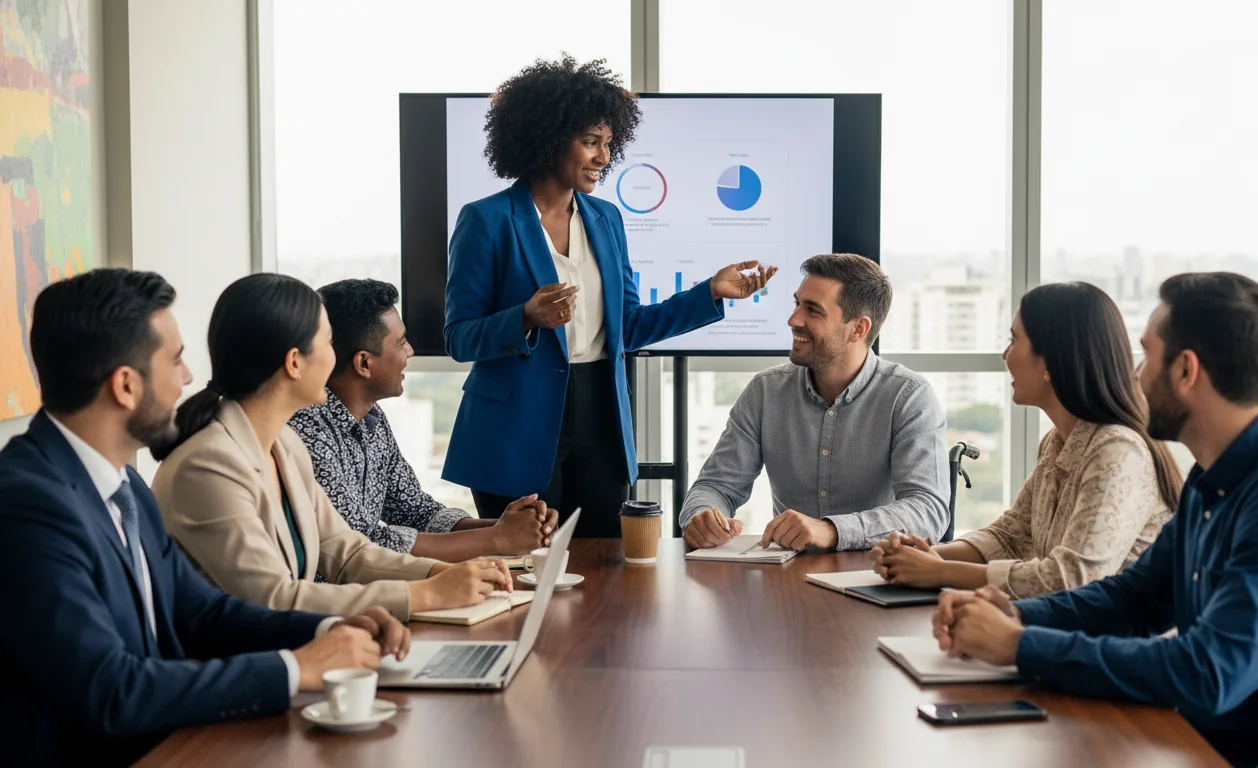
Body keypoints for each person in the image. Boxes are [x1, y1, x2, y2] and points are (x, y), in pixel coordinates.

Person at [0, 269, 413, 765]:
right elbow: (111, 690)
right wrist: (294, 669)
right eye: (174, 361)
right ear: (126, 386)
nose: (188, 379)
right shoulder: (27, 506)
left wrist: (330, 631)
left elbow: (201, 612)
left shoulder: (122, 485)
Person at [934, 273, 1258, 765]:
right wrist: (1015, 614)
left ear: (1186, 371)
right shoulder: (1214, 475)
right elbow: (1135, 599)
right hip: (1194, 742)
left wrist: (1021, 646)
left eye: (1147, 356)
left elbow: (1207, 672)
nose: (1134, 375)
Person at [442, 55, 778, 538]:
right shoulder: (487, 220)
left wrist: (710, 293)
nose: (604, 157)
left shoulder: (606, 219)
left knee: (604, 565)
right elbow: (459, 338)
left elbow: (630, 325)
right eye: (590, 142)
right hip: (515, 425)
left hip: (601, 413)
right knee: (523, 567)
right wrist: (526, 317)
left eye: (607, 143)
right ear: (548, 137)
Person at [152, 274, 512, 622]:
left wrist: (445, 573)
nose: (335, 356)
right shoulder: (208, 467)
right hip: (240, 668)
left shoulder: (283, 446)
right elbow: (275, 598)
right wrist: (429, 593)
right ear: (295, 362)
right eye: (327, 342)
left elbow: (348, 552)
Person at [870, 282, 1181, 597]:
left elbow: (1072, 579)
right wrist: (925, 556)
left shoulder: (1117, 451)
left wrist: (939, 571)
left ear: (1049, 360)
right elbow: (1010, 536)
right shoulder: (1058, 441)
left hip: (1113, 641)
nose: (1006, 355)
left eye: (1013, 340)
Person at [680, 254, 949, 552]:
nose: (794, 320)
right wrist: (701, 515)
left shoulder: (909, 396)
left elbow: (928, 511)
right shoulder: (765, 391)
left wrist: (832, 531)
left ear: (858, 329)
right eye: (797, 304)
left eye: (813, 310)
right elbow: (715, 486)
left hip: (875, 575)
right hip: (787, 581)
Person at [290, 278, 557, 562]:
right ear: (364, 363)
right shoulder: (309, 433)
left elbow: (416, 512)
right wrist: (497, 538)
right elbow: (362, 545)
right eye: (401, 343)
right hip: (332, 599)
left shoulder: (372, 419)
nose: (410, 351)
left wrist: (507, 525)